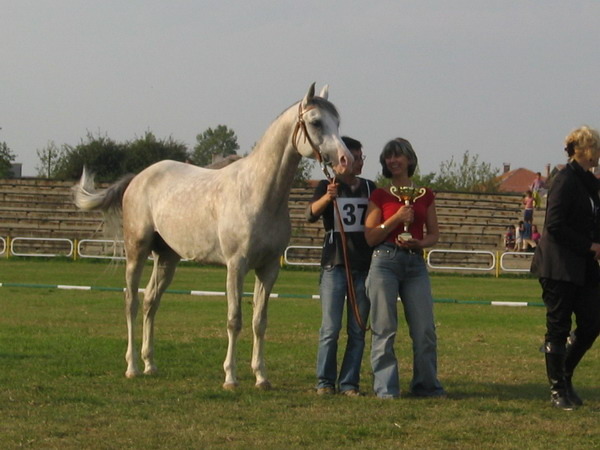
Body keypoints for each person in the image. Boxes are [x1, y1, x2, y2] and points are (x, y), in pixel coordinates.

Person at [364, 137, 445, 399]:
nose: (393, 160)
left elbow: (434, 234)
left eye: (398, 155)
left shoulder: (425, 195)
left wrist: (420, 242)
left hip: (415, 264)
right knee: (384, 328)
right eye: (388, 156)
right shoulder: (379, 195)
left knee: (425, 330)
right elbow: (370, 237)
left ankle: (426, 385)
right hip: (385, 261)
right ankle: (386, 388)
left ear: (409, 159)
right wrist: (396, 219)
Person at [531, 125, 600, 410]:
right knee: (558, 328)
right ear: (584, 150)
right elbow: (555, 225)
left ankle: (566, 372)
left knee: (592, 322)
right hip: (559, 266)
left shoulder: (587, 180)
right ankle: (558, 389)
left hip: (583, 266)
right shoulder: (564, 179)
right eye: (596, 147)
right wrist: (590, 246)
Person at [306, 136, 375, 396]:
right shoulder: (326, 185)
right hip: (334, 266)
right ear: (340, 161)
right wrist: (327, 198)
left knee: (357, 330)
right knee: (330, 329)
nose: (359, 163)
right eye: (354, 158)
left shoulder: (370, 188)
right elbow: (310, 214)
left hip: (363, 267)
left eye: (360, 158)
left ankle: (349, 383)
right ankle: (325, 382)